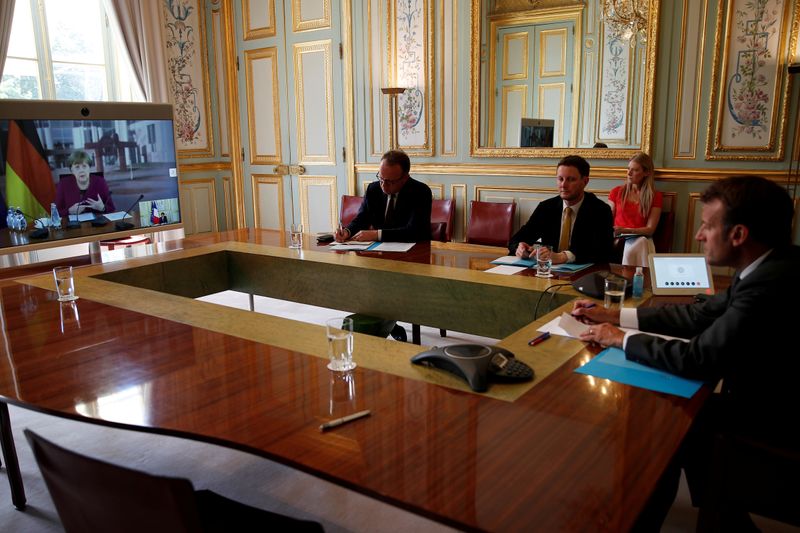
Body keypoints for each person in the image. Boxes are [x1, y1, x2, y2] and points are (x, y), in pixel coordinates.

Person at [572, 176, 800, 529]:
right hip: (765, 400)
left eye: (708, 226)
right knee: (674, 423)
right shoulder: (766, 266)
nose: (698, 236)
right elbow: (698, 314)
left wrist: (620, 339)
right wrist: (613, 314)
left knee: (669, 429)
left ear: (738, 235)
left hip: (778, 422)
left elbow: (698, 358)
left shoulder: (769, 284)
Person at [508, 155, 613, 264]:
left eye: (571, 179)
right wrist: (519, 248)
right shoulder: (546, 207)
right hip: (548, 274)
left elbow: (603, 251)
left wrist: (564, 257)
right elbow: (516, 240)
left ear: (585, 181)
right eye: (560, 179)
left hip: (586, 276)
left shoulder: (600, 210)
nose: (563, 185)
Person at [335, 150, 432, 242]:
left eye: (390, 182)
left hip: (414, 251)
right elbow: (362, 218)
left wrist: (377, 235)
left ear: (405, 178)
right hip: (378, 249)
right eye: (381, 178)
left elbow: (414, 231)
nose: (383, 185)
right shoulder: (373, 189)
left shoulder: (420, 192)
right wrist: (347, 231)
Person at [609, 152, 662, 266]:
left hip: (641, 238)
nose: (629, 173)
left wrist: (626, 230)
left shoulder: (655, 196)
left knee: (641, 242)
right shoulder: (616, 191)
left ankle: (635, 278)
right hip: (618, 238)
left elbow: (650, 229)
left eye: (635, 170)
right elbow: (607, 219)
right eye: (628, 169)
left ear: (646, 172)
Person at [55, 150, 115, 218]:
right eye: (77, 167)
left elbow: (112, 209)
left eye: (84, 166)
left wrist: (102, 208)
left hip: (98, 225)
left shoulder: (100, 182)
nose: (81, 170)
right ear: (72, 170)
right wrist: (69, 211)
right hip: (73, 227)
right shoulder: (63, 184)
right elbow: (56, 213)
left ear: (89, 168)